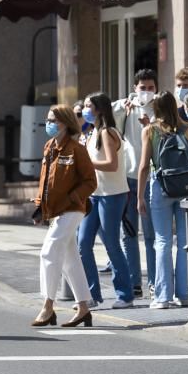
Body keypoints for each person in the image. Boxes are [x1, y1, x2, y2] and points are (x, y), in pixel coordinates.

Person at [32, 104, 97, 328]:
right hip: (55, 211)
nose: (49, 124)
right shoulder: (49, 147)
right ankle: (83, 308)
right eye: (48, 119)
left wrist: (72, 197)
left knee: (48, 252)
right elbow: (44, 181)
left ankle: (48, 305)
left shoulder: (77, 149)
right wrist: (40, 206)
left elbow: (91, 182)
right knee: (70, 260)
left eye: (54, 120)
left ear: (65, 123)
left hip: (72, 209)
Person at [78, 93, 134, 308]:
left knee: (111, 244)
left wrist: (87, 163)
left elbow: (112, 164)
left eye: (88, 106)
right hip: (94, 194)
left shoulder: (108, 133)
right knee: (83, 243)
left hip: (112, 195)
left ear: (99, 109)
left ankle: (125, 295)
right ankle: (91, 294)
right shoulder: (91, 133)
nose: (85, 110)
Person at [137, 91, 188, 309]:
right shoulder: (186, 130)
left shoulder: (149, 131)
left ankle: (163, 297)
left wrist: (140, 196)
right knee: (183, 242)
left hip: (160, 187)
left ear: (156, 109)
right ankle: (184, 294)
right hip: (185, 188)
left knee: (162, 241)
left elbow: (143, 167)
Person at [112, 69, 157, 298]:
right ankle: (134, 282)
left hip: (152, 178)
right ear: (134, 88)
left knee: (151, 235)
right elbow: (105, 114)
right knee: (129, 233)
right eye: (143, 88)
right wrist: (124, 105)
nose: (147, 92)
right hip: (129, 177)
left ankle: (154, 281)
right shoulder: (126, 107)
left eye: (151, 88)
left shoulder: (160, 108)